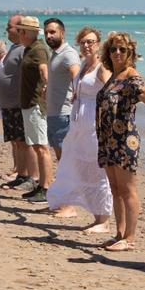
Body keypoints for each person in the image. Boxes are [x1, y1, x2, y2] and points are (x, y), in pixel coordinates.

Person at [96, 32, 145, 251]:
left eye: (122, 49)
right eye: (113, 49)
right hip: (108, 139)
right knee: (115, 188)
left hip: (125, 140)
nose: (117, 53)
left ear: (130, 52)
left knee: (127, 189)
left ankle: (129, 238)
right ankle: (119, 233)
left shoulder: (131, 76)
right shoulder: (114, 76)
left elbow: (144, 93)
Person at [47, 27, 112, 233]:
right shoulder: (83, 65)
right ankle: (96, 216)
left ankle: (104, 220)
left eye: (91, 42)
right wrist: (77, 94)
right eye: (83, 42)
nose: (86, 45)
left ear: (99, 44)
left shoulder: (101, 68)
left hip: (94, 123)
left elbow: (112, 91)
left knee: (98, 171)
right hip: (78, 123)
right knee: (82, 167)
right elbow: (79, 87)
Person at [0, 15, 37, 190]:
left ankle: (32, 178)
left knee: (27, 142)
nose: (7, 30)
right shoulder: (15, 48)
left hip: (19, 103)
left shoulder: (25, 50)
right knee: (17, 141)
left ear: (20, 29)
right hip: (9, 104)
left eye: (9, 27)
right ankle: (21, 174)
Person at [44, 18, 80, 216]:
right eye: (46, 32)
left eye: (52, 32)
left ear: (62, 33)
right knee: (61, 160)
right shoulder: (55, 54)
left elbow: (77, 76)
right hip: (54, 113)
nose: (49, 36)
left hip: (63, 114)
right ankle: (61, 202)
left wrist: (77, 96)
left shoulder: (68, 54)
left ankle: (70, 206)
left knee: (66, 161)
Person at [17, 16, 53, 203]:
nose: (20, 34)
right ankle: (40, 184)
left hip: (36, 104)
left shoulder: (38, 49)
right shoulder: (29, 49)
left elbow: (44, 71)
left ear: (32, 32)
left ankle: (46, 187)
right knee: (36, 145)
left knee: (41, 146)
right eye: (19, 30)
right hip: (28, 104)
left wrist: (47, 87)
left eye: (23, 31)